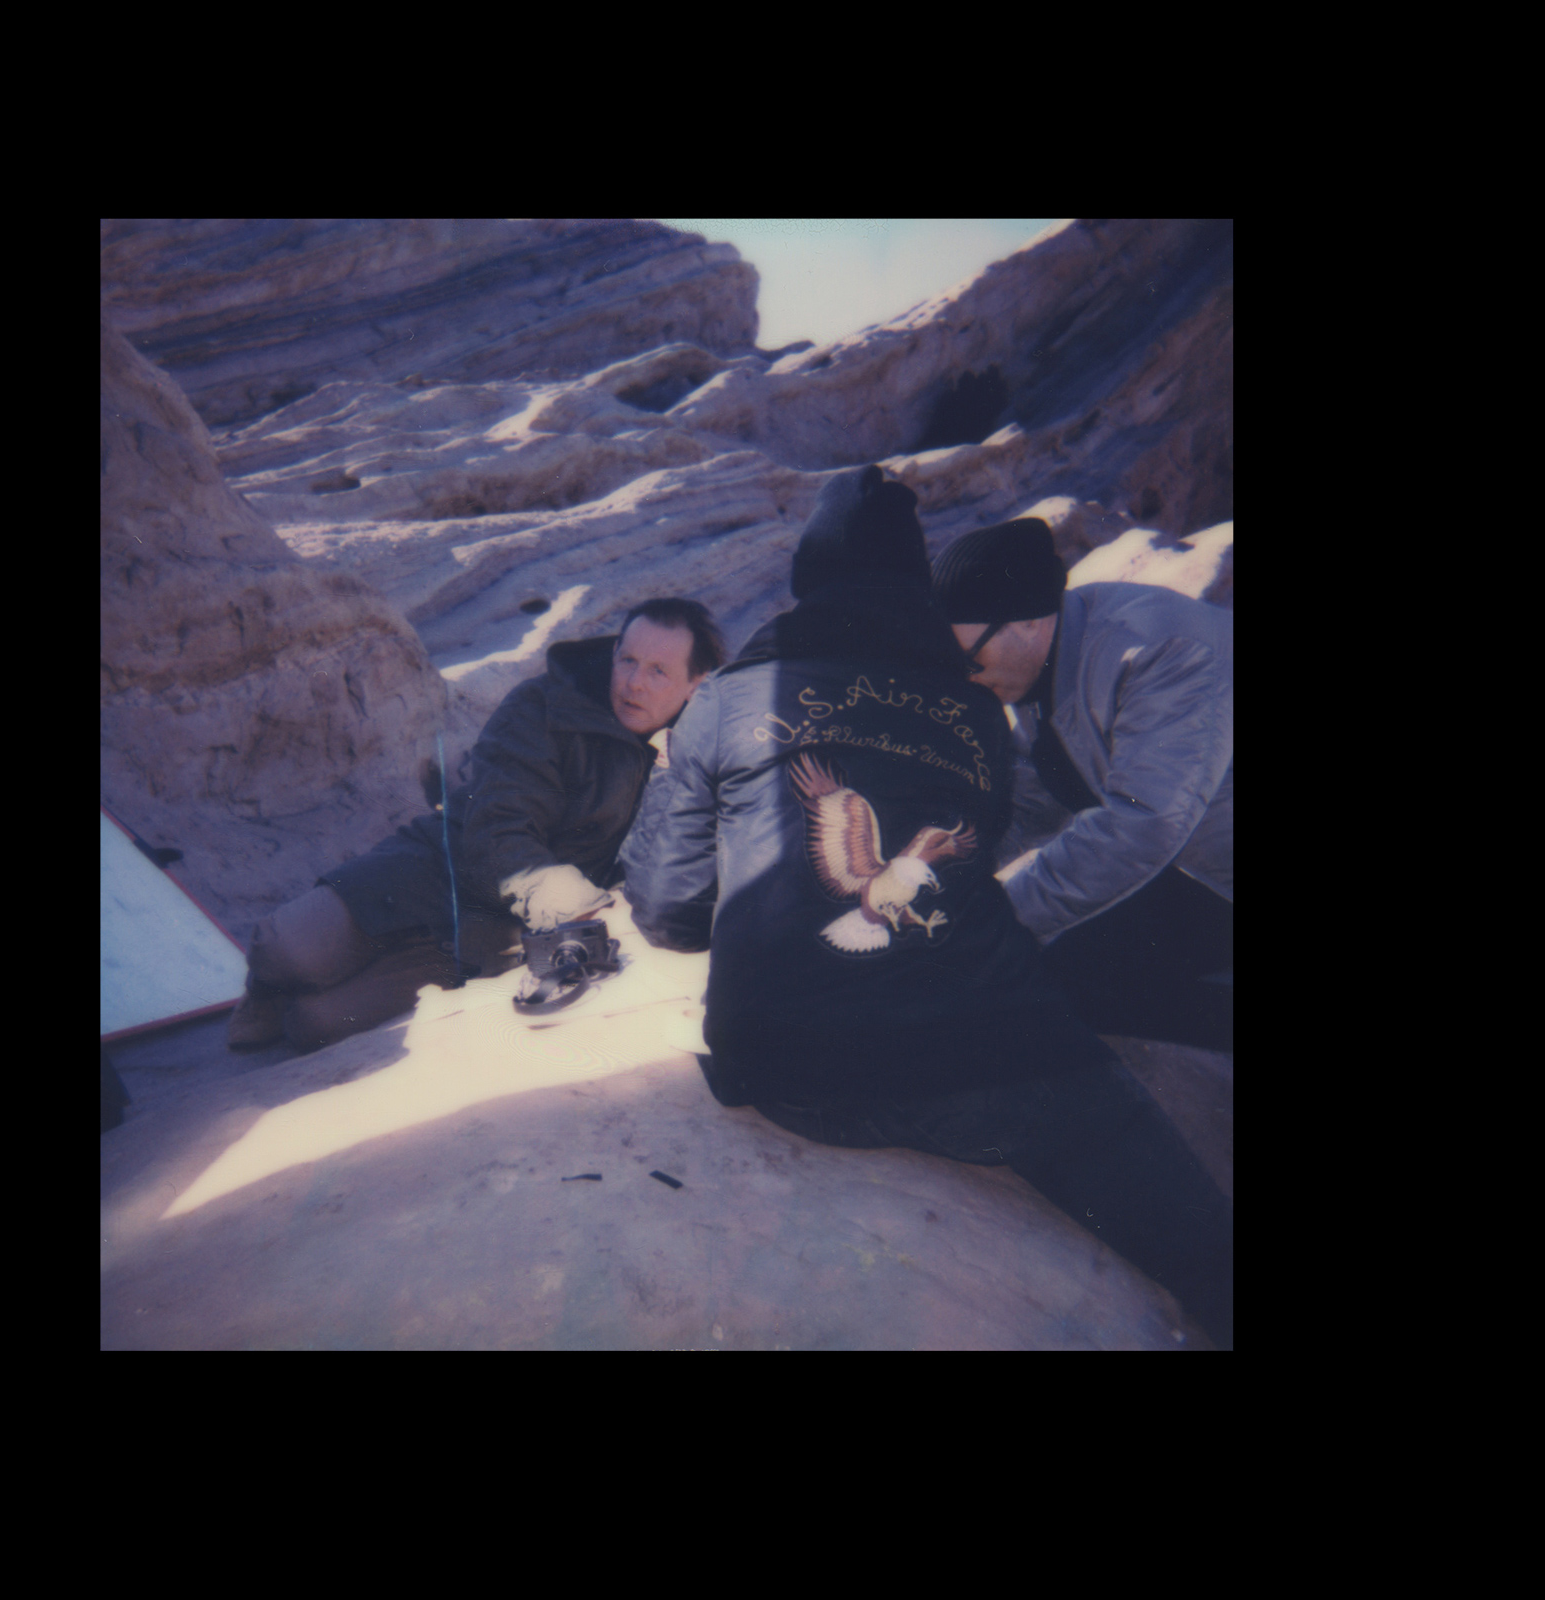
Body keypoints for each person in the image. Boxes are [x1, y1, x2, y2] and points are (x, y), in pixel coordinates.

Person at [617, 467, 1233, 1346]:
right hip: (972, 1064)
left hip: (780, 1069)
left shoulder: (721, 699)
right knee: (1192, 1234)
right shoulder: (978, 717)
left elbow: (668, 913)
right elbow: (1008, 829)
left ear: (808, 580)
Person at [227, 598, 725, 1052]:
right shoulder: (544, 707)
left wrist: (668, 776)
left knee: (314, 1025)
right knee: (286, 949)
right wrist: (576, 905)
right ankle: (265, 990)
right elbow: (499, 832)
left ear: (696, 684)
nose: (634, 683)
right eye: (628, 660)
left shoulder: (698, 752)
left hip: (499, 930)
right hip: (442, 869)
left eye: (659, 671)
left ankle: (320, 994)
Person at [932, 518, 1234, 1053]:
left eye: (968, 661)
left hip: (1198, 868)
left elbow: (1142, 824)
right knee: (1058, 971)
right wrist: (934, 878)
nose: (966, 680)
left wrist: (991, 920)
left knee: (1067, 979)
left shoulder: (1160, 650)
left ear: (1027, 622)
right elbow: (1034, 799)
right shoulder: (1048, 662)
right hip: (1205, 873)